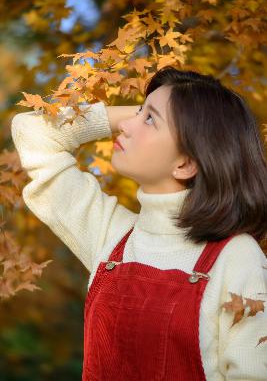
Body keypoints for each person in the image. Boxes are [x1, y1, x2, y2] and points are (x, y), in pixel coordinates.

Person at [11, 66, 267, 380]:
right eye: (138, 113)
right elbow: (33, 132)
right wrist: (147, 109)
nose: (127, 126)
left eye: (149, 119)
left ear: (185, 163)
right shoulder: (111, 233)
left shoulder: (238, 258)